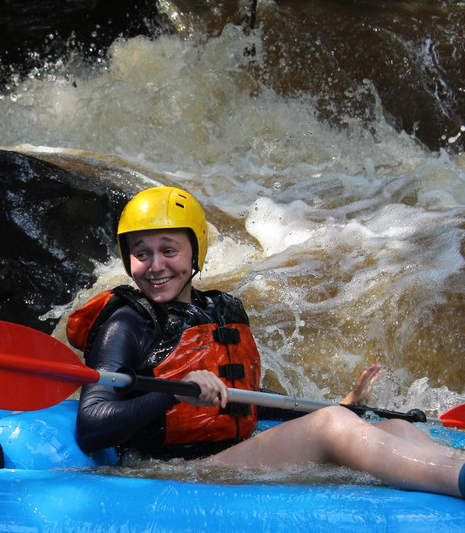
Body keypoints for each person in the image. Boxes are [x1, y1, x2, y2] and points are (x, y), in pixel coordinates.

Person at [67, 185, 465, 498]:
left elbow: (244, 397)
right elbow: (92, 426)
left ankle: (457, 467)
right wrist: (173, 395)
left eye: (168, 250)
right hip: (172, 473)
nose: (155, 266)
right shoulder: (126, 324)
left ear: (195, 253)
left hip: (223, 458)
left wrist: (339, 405)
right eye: (141, 254)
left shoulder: (220, 311)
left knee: (396, 428)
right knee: (329, 427)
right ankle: (456, 479)